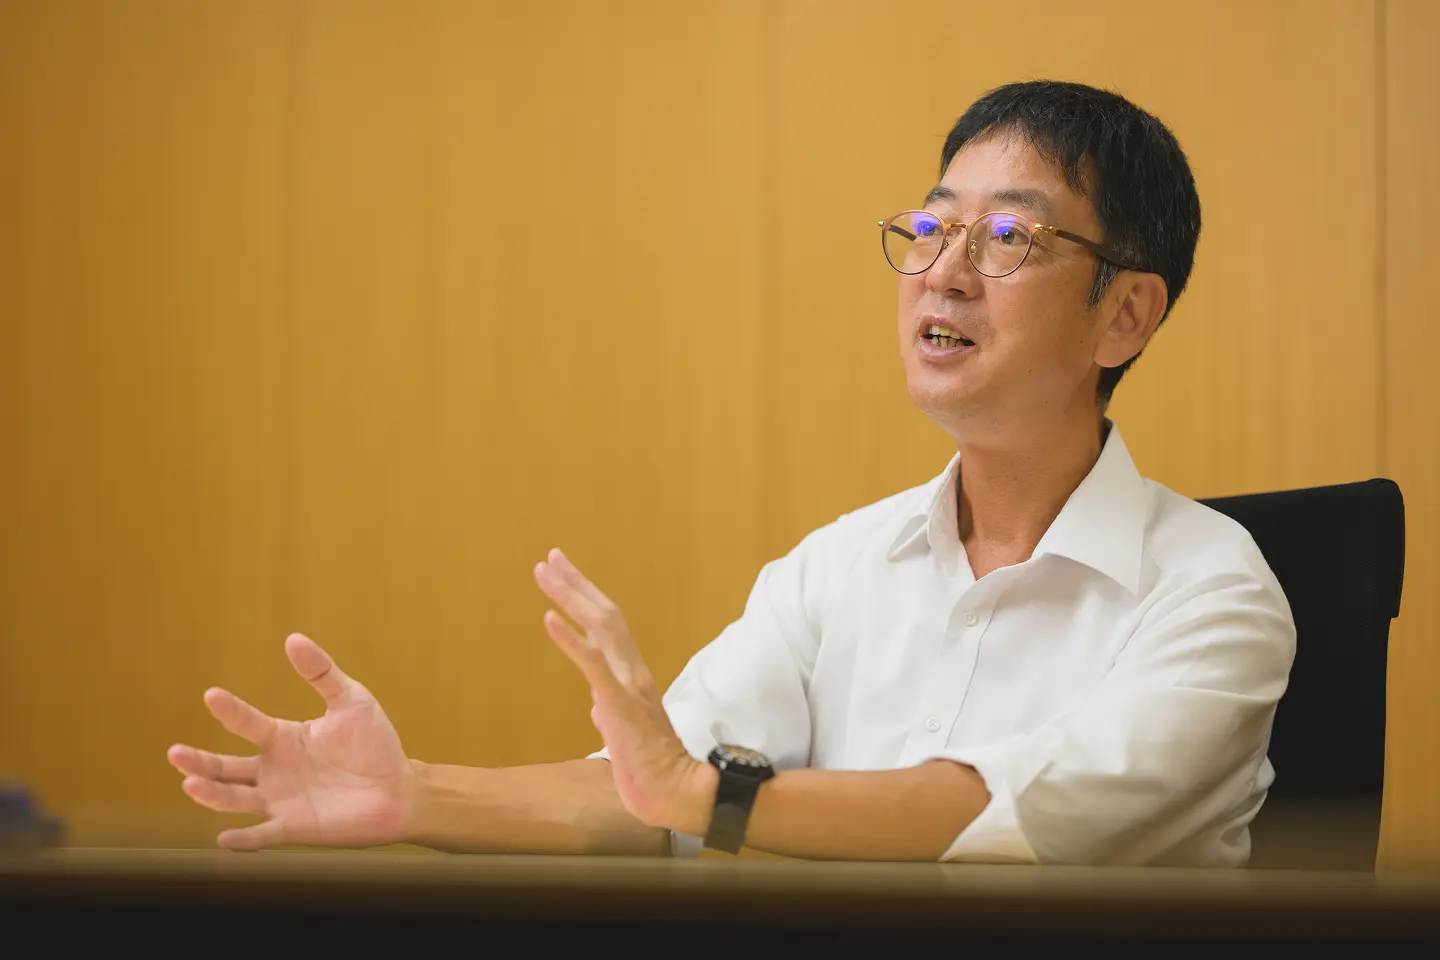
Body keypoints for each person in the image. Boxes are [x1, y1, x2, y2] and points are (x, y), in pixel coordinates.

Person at [167, 80, 1294, 866]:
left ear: (1125, 314)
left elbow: (1004, 820)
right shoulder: (838, 569)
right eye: (932, 227)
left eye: (1008, 238)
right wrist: (413, 793)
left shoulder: (1214, 594)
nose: (943, 273)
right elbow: (646, 793)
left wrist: (708, 797)